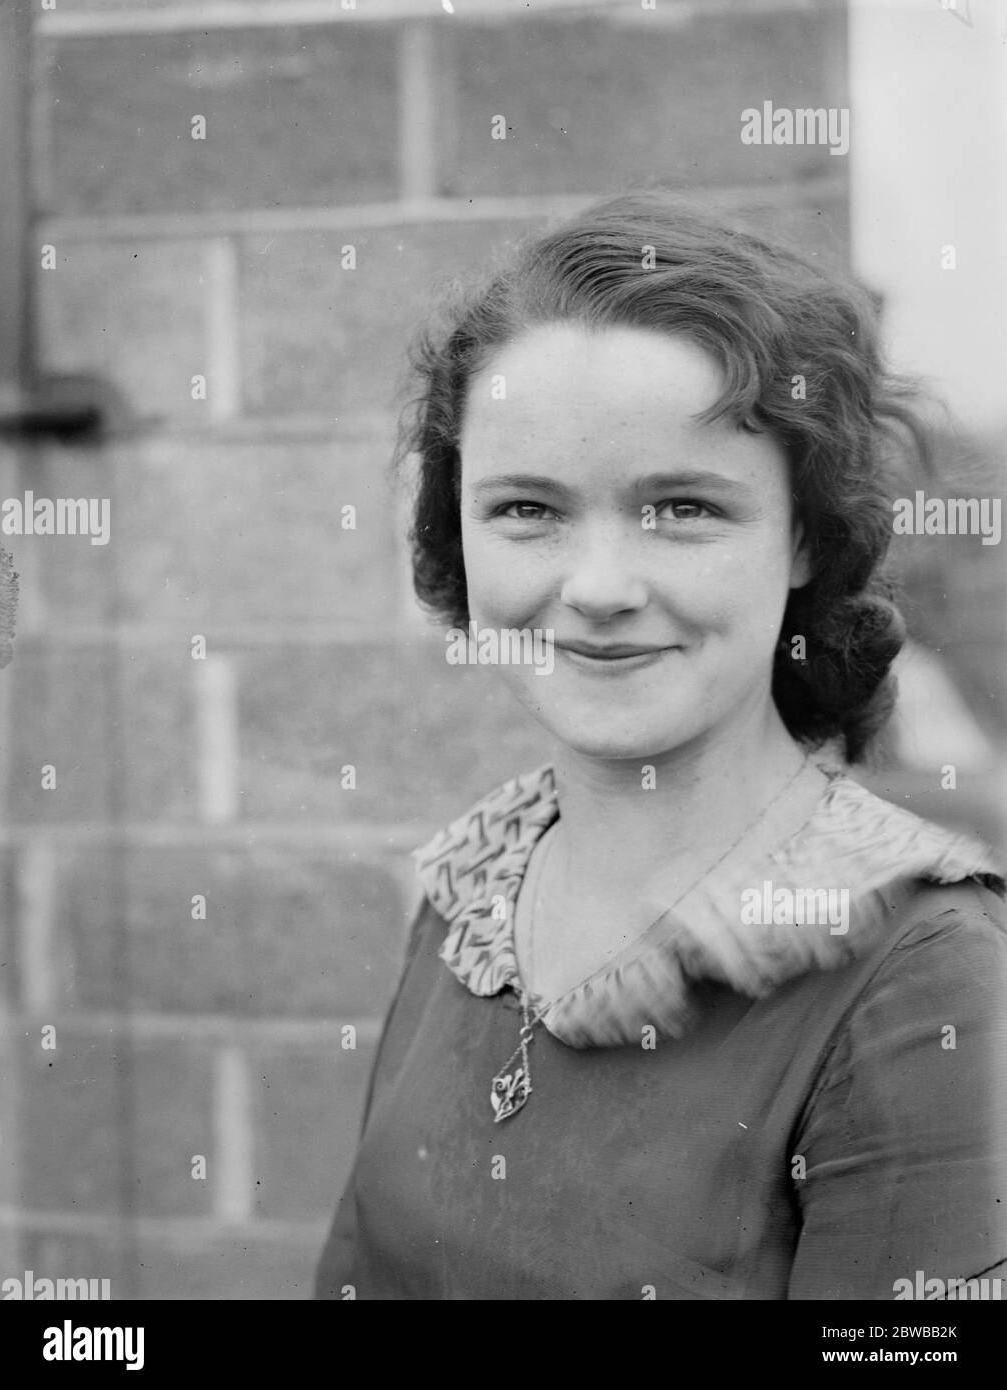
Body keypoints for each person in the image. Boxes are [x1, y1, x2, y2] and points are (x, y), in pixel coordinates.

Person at [315, 192, 1007, 1301]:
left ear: (802, 540)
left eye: (681, 508)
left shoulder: (923, 979)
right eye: (527, 510)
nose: (597, 589)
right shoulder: (473, 889)